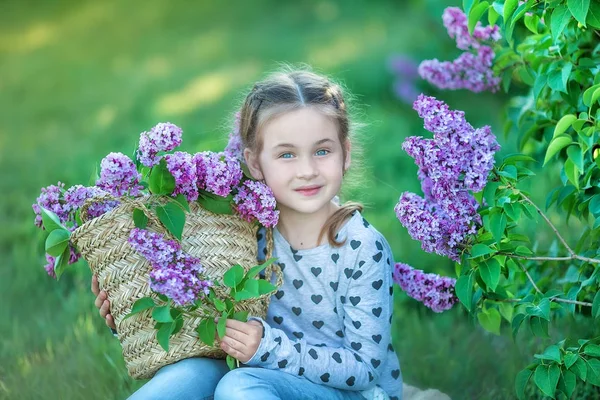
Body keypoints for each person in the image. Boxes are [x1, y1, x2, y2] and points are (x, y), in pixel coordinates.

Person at [92, 67, 403, 400]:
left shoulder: (360, 247)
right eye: (286, 154)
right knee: (186, 376)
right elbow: (203, 317)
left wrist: (267, 347)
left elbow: (364, 368)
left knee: (239, 386)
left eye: (322, 151)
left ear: (346, 153)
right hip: (269, 371)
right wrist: (130, 314)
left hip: (351, 392)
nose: (308, 170)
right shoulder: (244, 230)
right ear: (255, 164)